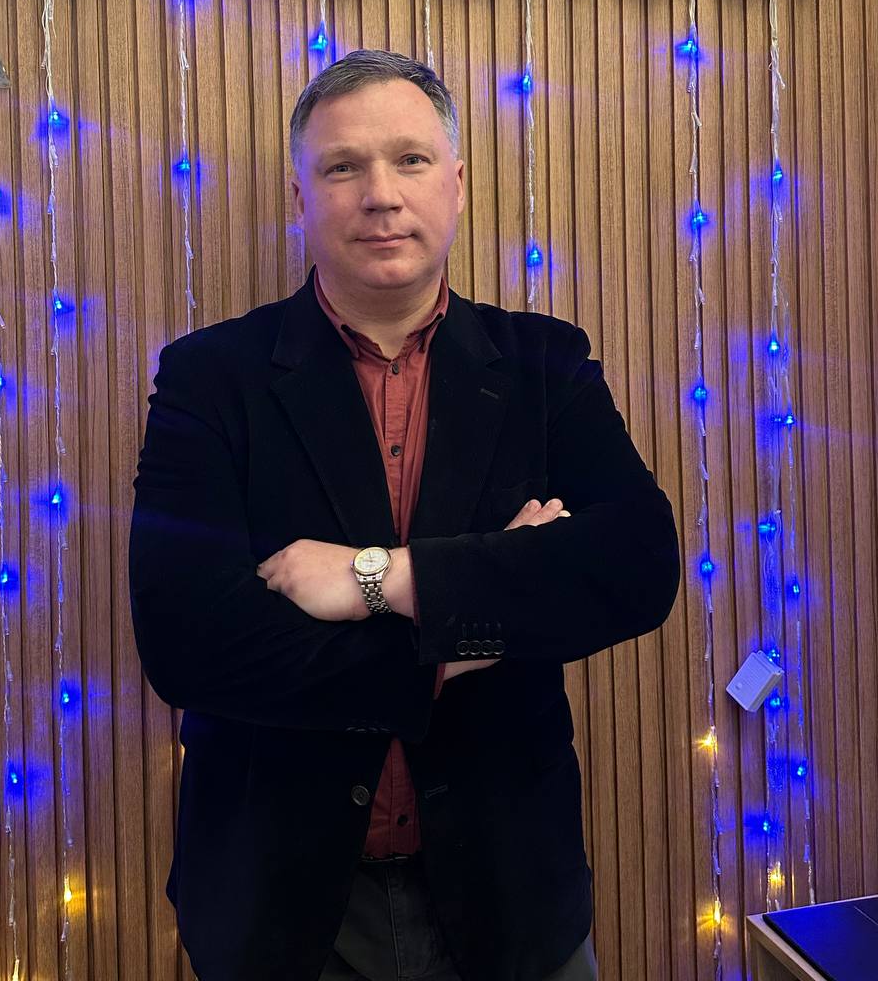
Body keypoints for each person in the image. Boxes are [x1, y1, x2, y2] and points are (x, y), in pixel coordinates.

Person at [128, 49, 681, 981]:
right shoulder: (209, 378)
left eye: (410, 160)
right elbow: (188, 644)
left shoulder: (545, 365)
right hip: (281, 910)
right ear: (302, 196)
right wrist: (473, 625)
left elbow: (638, 565)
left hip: (513, 897)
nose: (380, 195)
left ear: (456, 183)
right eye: (343, 166)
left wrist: (378, 580)